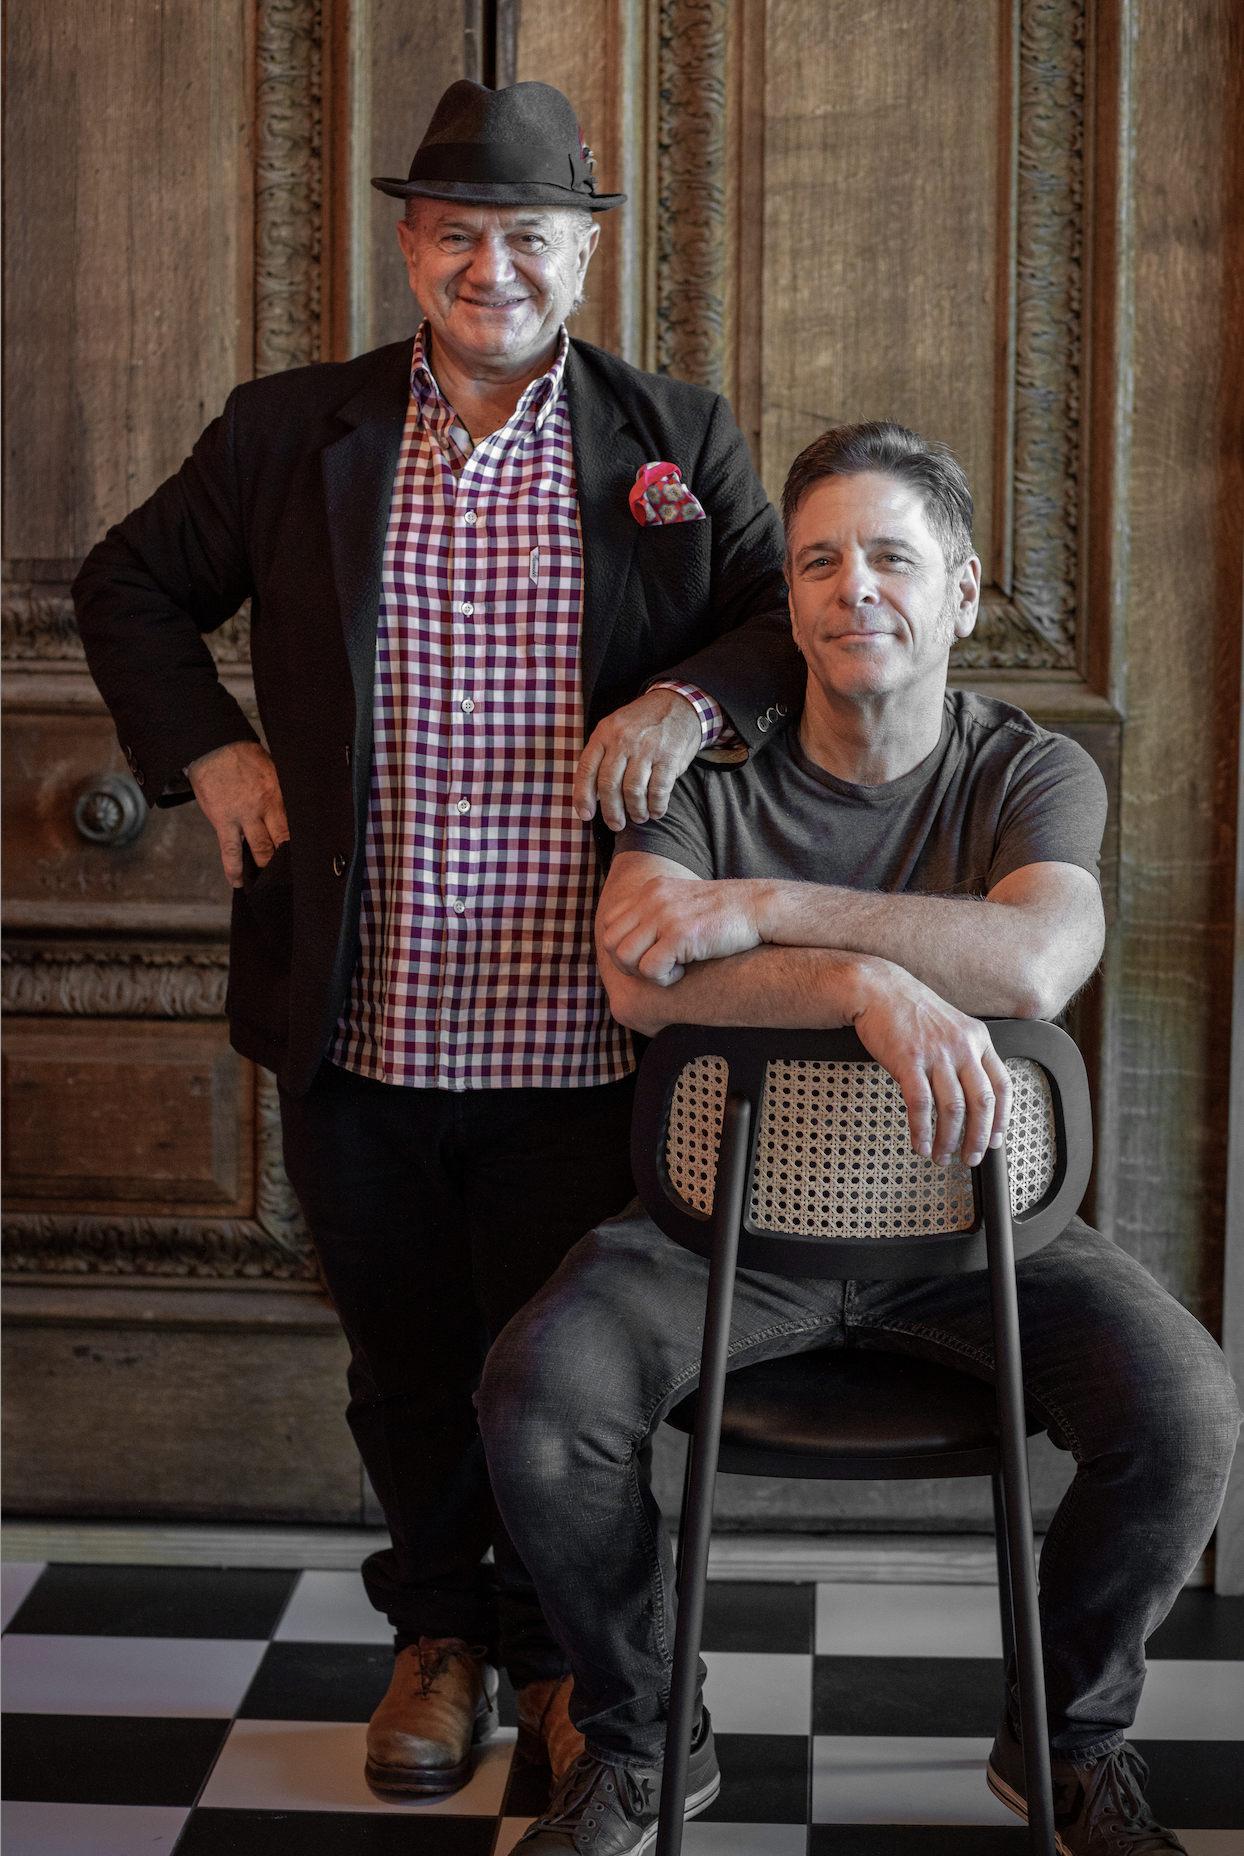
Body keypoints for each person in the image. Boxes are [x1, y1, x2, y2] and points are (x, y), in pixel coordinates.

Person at [72, 77, 803, 1799]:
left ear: (584, 251)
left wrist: (693, 700)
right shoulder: (287, 431)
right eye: (461, 234)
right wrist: (209, 745)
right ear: (411, 246)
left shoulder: (674, 441)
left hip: (587, 1018)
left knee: (564, 1369)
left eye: (530, 237)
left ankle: (570, 1665)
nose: (495, 268)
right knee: (404, 1361)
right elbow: (126, 584)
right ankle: (442, 1642)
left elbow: (783, 618)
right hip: (362, 1008)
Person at [478, 422, 1241, 1856]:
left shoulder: (1033, 772)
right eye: (820, 560)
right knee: (538, 1393)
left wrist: (770, 915)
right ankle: (641, 1736)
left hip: (985, 1245)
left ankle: (1065, 1739)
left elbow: (1031, 968)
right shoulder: (707, 779)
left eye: (892, 556)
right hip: (718, 1240)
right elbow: (641, 980)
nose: (853, 588)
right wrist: (868, 986)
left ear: (959, 592)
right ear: (793, 602)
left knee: (1188, 1414)